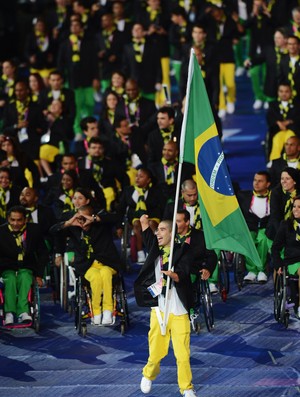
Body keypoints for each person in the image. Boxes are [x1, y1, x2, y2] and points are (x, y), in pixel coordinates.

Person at [134, 215, 197, 397]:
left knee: (183, 354)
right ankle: (148, 374)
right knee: (156, 352)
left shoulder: (184, 250)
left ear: (172, 233)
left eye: (162, 230)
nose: (158, 233)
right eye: (157, 230)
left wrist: (174, 275)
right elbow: (146, 233)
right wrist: (144, 221)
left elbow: (184, 272)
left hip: (179, 311)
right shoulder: (155, 249)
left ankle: (186, 388)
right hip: (160, 311)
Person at [51, 204, 121, 325]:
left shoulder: (101, 225)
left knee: (105, 274)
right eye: (80, 218)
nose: (82, 222)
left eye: (85, 218)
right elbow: (52, 231)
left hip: (107, 263)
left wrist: (95, 219)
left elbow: (116, 217)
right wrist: (68, 223)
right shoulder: (73, 229)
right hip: (87, 266)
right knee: (96, 278)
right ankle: (97, 312)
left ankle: (108, 311)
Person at [0, 206, 48, 325]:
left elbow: (43, 253)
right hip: (7, 267)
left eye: (19, 220)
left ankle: (23, 312)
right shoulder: (1, 232)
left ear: (25, 220)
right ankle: (9, 313)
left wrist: (39, 275)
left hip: (27, 266)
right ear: (8, 219)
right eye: (12, 220)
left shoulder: (34, 231)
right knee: (10, 279)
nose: (16, 223)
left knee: (25, 278)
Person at [116, 167, 162, 263]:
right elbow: (120, 209)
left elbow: (160, 207)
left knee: (151, 223)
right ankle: (140, 252)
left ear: (148, 180)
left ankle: (153, 251)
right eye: (136, 176)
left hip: (152, 216)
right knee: (137, 223)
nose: (137, 178)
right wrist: (119, 226)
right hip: (135, 218)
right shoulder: (128, 190)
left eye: (141, 177)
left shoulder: (156, 191)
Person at [238, 171, 271, 283]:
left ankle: (261, 270)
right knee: (248, 239)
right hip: (249, 227)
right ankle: (252, 270)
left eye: (260, 181)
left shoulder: (273, 197)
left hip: (265, 227)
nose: (256, 183)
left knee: (263, 239)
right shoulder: (244, 196)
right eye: (255, 180)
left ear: (267, 184)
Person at [272, 195, 300, 319]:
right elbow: (275, 248)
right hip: (293, 261)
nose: (295, 209)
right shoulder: (285, 225)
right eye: (294, 206)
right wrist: (278, 265)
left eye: (299, 207)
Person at [266, 83, 300, 161]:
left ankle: (293, 160)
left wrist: (289, 122)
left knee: (291, 141)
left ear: (291, 92)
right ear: (278, 92)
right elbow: (269, 118)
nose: (284, 94)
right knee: (277, 141)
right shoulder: (273, 105)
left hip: (293, 130)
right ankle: (273, 162)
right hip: (278, 131)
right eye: (281, 91)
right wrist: (278, 123)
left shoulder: (297, 104)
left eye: (286, 91)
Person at [266, 167, 300, 242]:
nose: (283, 181)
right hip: (276, 232)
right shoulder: (275, 193)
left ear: (294, 181)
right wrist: (282, 236)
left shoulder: (299, 194)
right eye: (282, 179)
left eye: (287, 179)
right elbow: (275, 217)